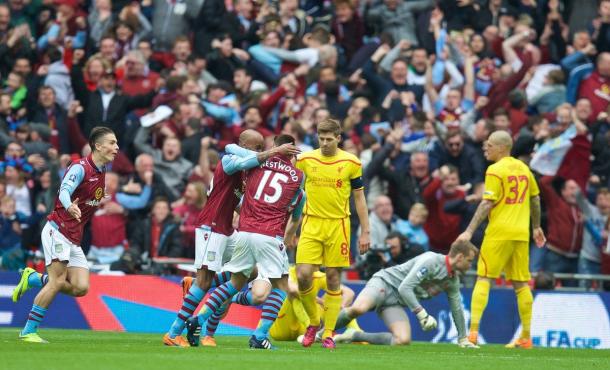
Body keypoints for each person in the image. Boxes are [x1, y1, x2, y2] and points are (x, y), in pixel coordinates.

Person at [163, 131, 299, 347]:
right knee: (206, 281)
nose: (259, 152)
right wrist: (275, 152)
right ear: (244, 145)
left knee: (250, 272)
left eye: (261, 147)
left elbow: (237, 201)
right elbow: (233, 151)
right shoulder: (229, 161)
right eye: (256, 147)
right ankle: (174, 332)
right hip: (212, 226)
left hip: (229, 230)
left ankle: (196, 288)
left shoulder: (247, 170)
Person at [12, 127, 119, 343]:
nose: (116, 148)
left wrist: (98, 199)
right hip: (58, 230)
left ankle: (32, 278)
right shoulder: (80, 167)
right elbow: (63, 191)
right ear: (98, 146)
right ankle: (28, 331)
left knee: (80, 288)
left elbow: (90, 196)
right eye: (112, 143)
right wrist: (70, 206)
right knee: (57, 281)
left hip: (73, 236)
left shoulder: (102, 169)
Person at [455, 130, 546, 349]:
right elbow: (535, 199)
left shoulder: (495, 170)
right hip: (520, 234)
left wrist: (468, 231)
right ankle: (525, 336)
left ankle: (473, 333)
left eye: (489, 145)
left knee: (484, 278)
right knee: (521, 284)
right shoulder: (525, 169)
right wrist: (536, 227)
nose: (485, 149)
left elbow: (487, 203)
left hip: (498, 233)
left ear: (502, 147)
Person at [295, 118, 370, 349]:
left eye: (330, 139)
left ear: (339, 138)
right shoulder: (305, 160)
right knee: (303, 275)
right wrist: (291, 226)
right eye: (322, 138)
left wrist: (365, 231)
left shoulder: (352, 162)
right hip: (311, 223)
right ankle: (313, 322)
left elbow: (359, 198)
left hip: (339, 225)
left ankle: (328, 333)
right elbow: (296, 196)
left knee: (333, 278)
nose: (325, 143)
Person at [331, 240, 479, 348]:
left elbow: (457, 308)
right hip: (385, 283)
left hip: (395, 302)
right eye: (469, 260)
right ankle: (321, 333)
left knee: (402, 340)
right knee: (359, 309)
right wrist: (422, 315)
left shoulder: (452, 279)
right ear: (459, 257)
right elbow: (405, 288)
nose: (470, 265)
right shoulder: (431, 261)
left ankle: (353, 335)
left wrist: (462, 339)